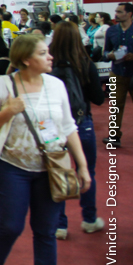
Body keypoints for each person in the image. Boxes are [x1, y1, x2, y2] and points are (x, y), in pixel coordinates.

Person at [0, 34, 91, 265]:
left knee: (46, 231)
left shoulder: (56, 85)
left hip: (50, 168)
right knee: (11, 225)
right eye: (43, 53)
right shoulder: (1, 85)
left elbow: (68, 127)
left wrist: (82, 166)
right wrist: (8, 111)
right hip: (11, 167)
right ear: (26, 59)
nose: (50, 57)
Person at [47, 21, 104, 240]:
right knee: (87, 170)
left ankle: (60, 225)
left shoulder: (48, 64)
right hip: (81, 122)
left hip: (54, 125)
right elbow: (98, 98)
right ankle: (89, 219)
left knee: (58, 173)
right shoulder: (85, 63)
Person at [103, 2, 133, 146]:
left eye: (120, 12)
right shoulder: (111, 31)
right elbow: (105, 52)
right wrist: (108, 55)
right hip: (117, 73)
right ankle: (114, 136)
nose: (116, 14)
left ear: (129, 14)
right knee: (115, 106)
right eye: (116, 11)